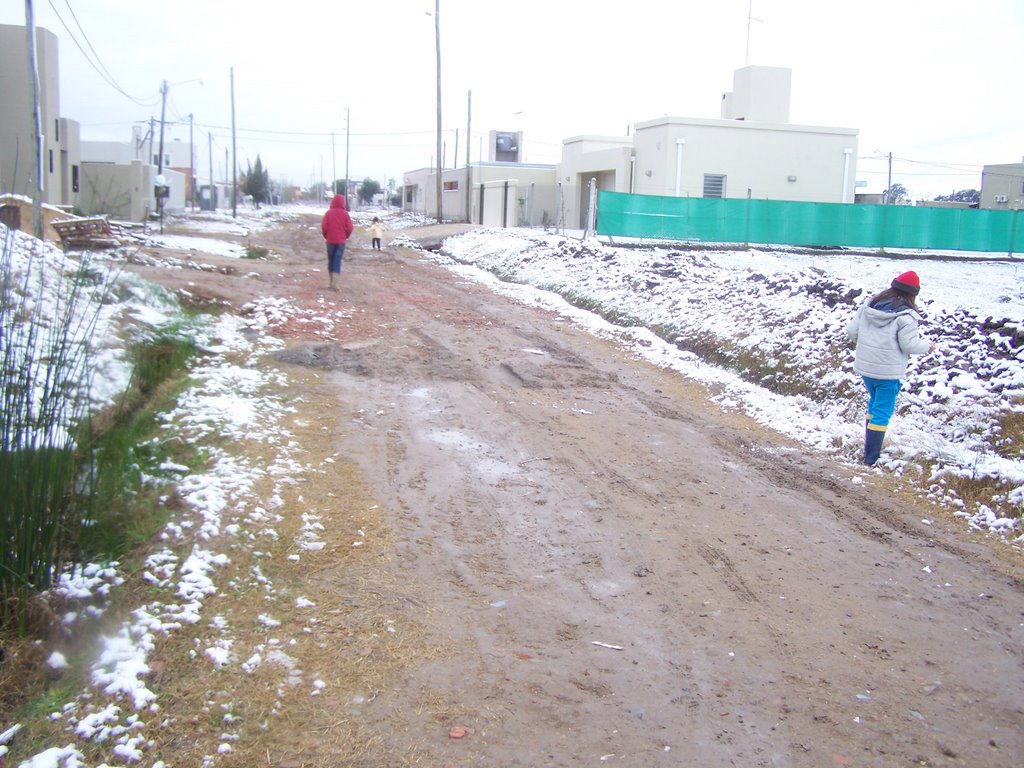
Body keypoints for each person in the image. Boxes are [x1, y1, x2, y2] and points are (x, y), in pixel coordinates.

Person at [846, 270, 936, 466]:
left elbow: (852, 331)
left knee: (875, 404)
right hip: (887, 372)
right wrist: (928, 347)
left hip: (865, 368)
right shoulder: (906, 316)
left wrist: (865, 347)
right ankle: (871, 458)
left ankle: (869, 449)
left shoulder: (870, 305)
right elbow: (909, 345)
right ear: (913, 294)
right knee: (882, 411)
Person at [320, 193, 354, 291]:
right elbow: (350, 228)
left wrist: (326, 235)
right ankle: (335, 284)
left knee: (330, 260)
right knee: (337, 261)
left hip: (330, 241)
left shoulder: (328, 213)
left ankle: (330, 283)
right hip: (340, 242)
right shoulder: (345, 214)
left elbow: (324, 226)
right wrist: (345, 236)